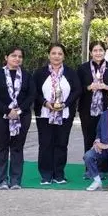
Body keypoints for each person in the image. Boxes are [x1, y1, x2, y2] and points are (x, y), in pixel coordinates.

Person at [0, 46, 36, 190]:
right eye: (13, 55)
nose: (17, 59)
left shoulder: (27, 76)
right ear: (6, 57)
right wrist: (7, 111)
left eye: (20, 56)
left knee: (17, 148)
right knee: (1, 147)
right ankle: (1, 180)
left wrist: (18, 111)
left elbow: (31, 95)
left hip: (22, 116)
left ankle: (15, 180)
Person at [34, 43, 82, 185]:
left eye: (60, 54)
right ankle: (46, 174)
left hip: (65, 114)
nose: (56, 56)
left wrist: (65, 104)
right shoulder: (40, 73)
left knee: (61, 143)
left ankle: (59, 174)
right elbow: (34, 91)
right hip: (44, 114)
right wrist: (45, 103)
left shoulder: (70, 73)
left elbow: (77, 90)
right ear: (49, 55)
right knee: (45, 143)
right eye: (54, 53)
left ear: (64, 56)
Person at [77, 41, 108, 155]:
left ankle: (104, 163)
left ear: (105, 52)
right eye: (95, 50)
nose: (98, 53)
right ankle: (89, 163)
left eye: (100, 50)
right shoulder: (83, 68)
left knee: (106, 137)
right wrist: (88, 87)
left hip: (107, 110)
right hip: (87, 110)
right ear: (90, 53)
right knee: (89, 138)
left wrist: (107, 87)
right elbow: (76, 88)